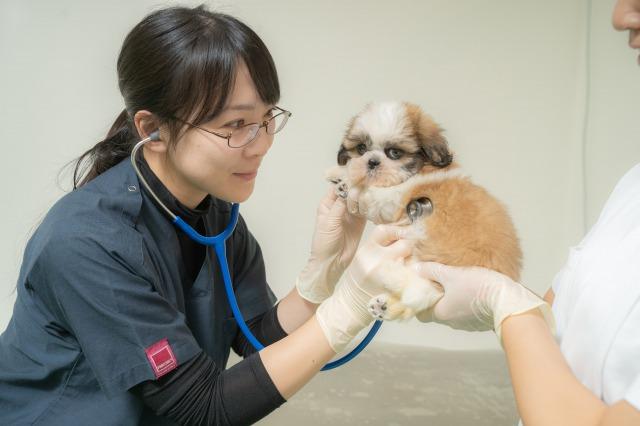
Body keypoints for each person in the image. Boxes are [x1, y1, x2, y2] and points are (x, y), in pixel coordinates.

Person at [0, 6, 415, 425]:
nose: (260, 144)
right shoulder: (85, 243)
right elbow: (201, 410)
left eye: (266, 118)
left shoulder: (215, 213)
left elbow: (257, 338)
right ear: (151, 130)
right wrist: (350, 306)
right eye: (236, 124)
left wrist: (324, 270)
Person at [414, 0, 640, 424]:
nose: (619, 16)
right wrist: (489, 291)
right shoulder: (635, 182)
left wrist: (502, 304)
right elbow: (559, 318)